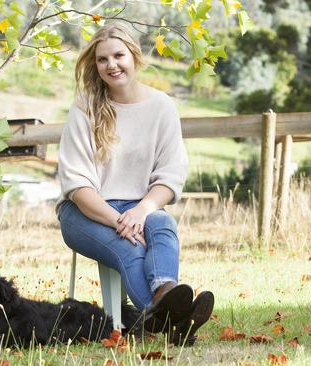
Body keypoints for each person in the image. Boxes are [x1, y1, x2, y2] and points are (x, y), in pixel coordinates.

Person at [56, 22, 214, 346]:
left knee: (163, 224)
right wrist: (120, 222)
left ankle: (165, 295)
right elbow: (78, 184)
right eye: (103, 60)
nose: (111, 65)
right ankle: (175, 319)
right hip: (83, 212)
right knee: (129, 247)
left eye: (118, 55)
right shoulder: (85, 107)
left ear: (134, 55)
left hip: (137, 205)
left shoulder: (161, 107)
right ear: (95, 65)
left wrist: (142, 211)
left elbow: (170, 175)